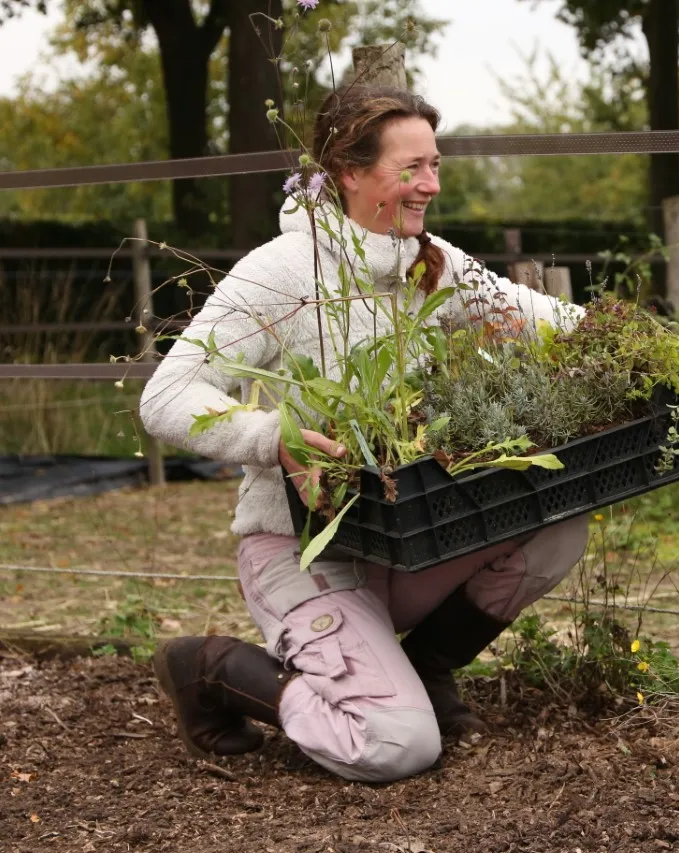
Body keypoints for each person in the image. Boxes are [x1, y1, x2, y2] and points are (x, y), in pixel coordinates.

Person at [138, 85, 589, 783]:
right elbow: (167, 397)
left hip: (407, 535)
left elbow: (542, 317)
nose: (432, 185)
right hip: (305, 547)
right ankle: (213, 668)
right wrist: (271, 435)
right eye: (411, 168)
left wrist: (639, 340)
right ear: (349, 172)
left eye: (435, 165)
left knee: (557, 525)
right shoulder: (284, 273)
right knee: (396, 744)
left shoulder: (432, 264)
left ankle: (423, 669)